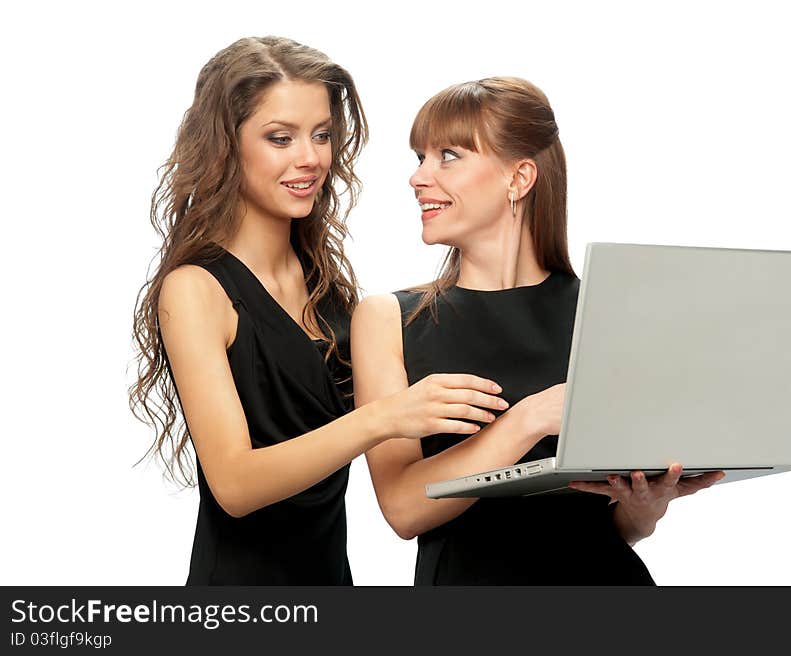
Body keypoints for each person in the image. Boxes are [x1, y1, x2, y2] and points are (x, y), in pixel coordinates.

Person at [129, 37, 505, 585]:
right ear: (225, 147)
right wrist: (384, 417)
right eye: (280, 138)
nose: (310, 158)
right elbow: (235, 486)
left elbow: (406, 474)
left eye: (322, 135)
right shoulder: (196, 290)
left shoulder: (326, 285)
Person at [351, 77, 724, 585]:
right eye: (420, 157)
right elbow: (402, 509)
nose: (419, 177)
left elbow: (607, 526)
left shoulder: (607, 313)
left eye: (448, 155)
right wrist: (527, 419)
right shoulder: (388, 319)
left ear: (519, 178)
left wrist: (643, 509)